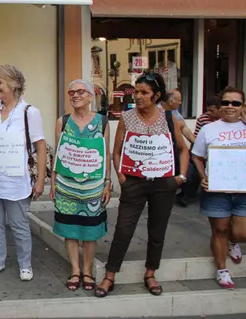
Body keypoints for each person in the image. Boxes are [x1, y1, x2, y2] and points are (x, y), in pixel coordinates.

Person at [95, 73, 188, 298]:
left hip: (162, 183)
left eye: (144, 93)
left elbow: (183, 149)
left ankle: (150, 273)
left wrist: (180, 177)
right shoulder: (127, 117)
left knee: (157, 230)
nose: (138, 96)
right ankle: (110, 274)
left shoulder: (169, 118)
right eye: (136, 92)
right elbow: (116, 151)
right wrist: (121, 176)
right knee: (123, 230)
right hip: (134, 182)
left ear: (156, 95)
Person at [0, 64, 46, 282]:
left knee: (19, 224)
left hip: (17, 181)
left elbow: (40, 147)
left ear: (13, 85)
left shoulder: (29, 113)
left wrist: (41, 181)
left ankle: (25, 264)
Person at [50, 80, 111, 291]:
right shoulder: (63, 121)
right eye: (71, 92)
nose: (75, 95)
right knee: (70, 229)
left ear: (90, 96)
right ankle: (75, 270)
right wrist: (53, 183)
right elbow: (57, 154)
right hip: (67, 185)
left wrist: (108, 183)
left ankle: (87, 271)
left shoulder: (102, 121)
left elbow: (107, 154)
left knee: (91, 230)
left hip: (93, 186)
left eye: (80, 91)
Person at [191, 86, 246, 289]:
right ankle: (222, 269)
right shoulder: (209, 129)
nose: (230, 107)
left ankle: (234, 241)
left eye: (235, 103)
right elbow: (197, 156)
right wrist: (203, 176)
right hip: (216, 189)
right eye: (226, 102)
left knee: (241, 232)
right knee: (219, 230)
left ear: (243, 106)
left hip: (243, 189)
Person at [178, 95, 222, 207]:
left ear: (219, 109)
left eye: (212, 110)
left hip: (218, 154)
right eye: (208, 110)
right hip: (202, 151)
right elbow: (196, 138)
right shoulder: (203, 119)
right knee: (190, 171)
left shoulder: (225, 121)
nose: (209, 113)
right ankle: (185, 195)